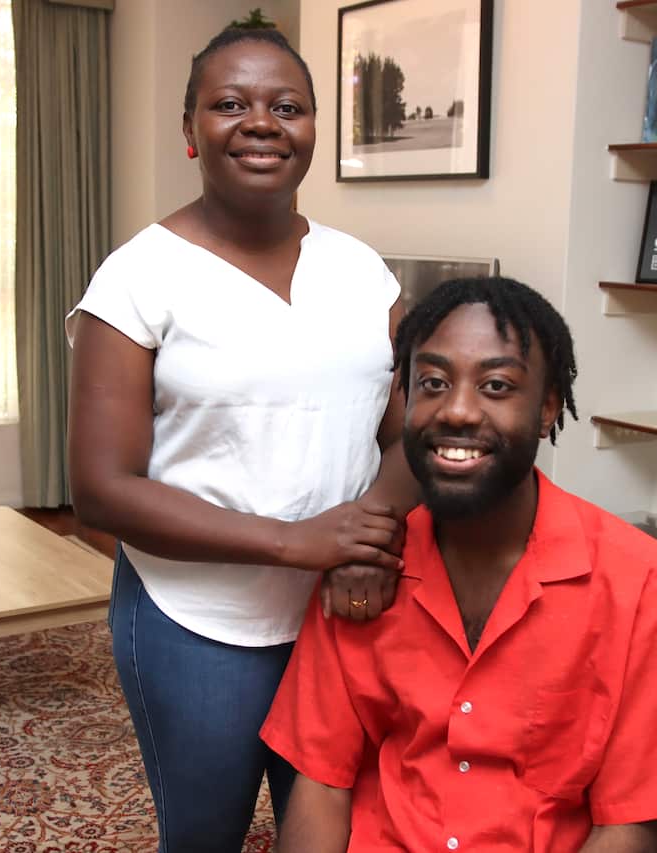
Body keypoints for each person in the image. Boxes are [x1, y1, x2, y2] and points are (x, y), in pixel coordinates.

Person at [66, 27, 417, 853]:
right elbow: (101, 490)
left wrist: (364, 541)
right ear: (190, 130)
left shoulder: (362, 271)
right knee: (206, 835)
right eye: (230, 103)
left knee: (337, 831)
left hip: (342, 614)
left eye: (287, 107)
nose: (262, 122)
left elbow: (412, 435)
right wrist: (297, 542)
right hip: (196, 622)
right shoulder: (138, 276)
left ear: (313, 130)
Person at [261, 277, 657, 852]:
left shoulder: (642, 584)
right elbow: (322, 781)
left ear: (547, 409)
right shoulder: (363, 570)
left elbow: (631, 820)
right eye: (433, 383)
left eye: (496, 386)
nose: (458, 410)